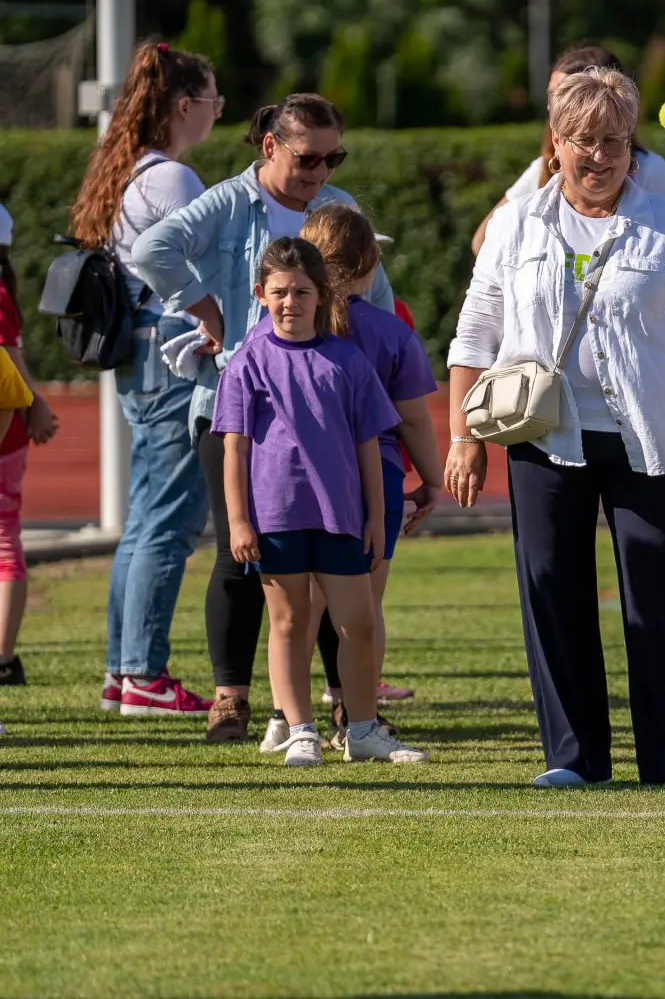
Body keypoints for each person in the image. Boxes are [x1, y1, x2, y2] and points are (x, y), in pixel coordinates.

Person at [446, 66, 665, 790]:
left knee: (660, 590)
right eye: (583, 140)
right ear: (556, 142)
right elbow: (475, 333)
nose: (599, 156)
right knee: (552, 588)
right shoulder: (516, 223)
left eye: (613, 141)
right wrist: (463, 437)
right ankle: (573, 758)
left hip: (651, 441)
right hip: (544, 436)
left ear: (633, 145)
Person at [133, 92, 395, 742]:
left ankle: (347, 705)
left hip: (327, 416)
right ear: (271, 146)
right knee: (239, 553)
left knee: (336, 557)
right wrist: (207, 310)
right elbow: (154, 248)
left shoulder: (338, 208)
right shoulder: (229, 202)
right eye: (308, 158)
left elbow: (377, 297)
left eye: (333, 158)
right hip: (235, 410)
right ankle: (232, 700)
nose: (320, 172)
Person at [212, 238, 426, 765]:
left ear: (322, 295)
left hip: (341, 516)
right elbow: (235, 448)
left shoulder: (348, 362)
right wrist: (238, 521)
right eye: (280, 292)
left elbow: (369, 446)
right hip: (277, 515)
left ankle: (363, 730)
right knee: (289, 622)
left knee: (359, 622)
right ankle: (300, 729)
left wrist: (375, 516)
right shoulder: (246, 363)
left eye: (302, 292)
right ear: (261, 294)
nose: (291, 303)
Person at [256, 205, 444, 753]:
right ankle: (358, 718)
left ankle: (286, 717)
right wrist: (432, 480)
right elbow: (412, 419)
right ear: (370, 263)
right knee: (362, 609)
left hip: (292, 479)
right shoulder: (390, 330)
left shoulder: (276, 325)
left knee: (294, 613)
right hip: (370, 477)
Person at [68, 42, 219, 719]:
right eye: (213, 100)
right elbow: (199, 267)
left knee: (144, 519)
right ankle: (143, 675)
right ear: (184, 105)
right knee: (169, 520)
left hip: (140, 353)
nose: (217, 112)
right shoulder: (172, 179)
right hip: (170, 355)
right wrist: (215, 316)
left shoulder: (130, 171)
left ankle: (123, 671)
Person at [471, 44, 665, 256]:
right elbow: (483, 241)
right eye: (551, 96)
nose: (553, 107)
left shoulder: (650, 170)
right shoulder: (543, 169)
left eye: (565, 94)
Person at [0, 206, 59, 687]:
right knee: (5, 542)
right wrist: (34, 402)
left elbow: (9, 357)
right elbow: (11, 357)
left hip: (8, 428)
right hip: (9, 433)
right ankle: (3, 657)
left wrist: (34, 402)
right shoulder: (3, 292)